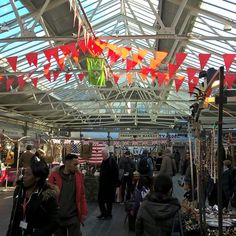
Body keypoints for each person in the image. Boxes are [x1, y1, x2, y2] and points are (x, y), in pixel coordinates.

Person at [7, 155, 59, 236]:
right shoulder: (19, 190)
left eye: (28, 175)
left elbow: (54, 221)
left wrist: (38, 233)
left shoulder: (47, 194)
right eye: (24, 174)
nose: (24, 177)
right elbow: (14, 217)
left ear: (37, 178)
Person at [48, 153, 88, 236]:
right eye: (75, 164)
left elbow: (82, 195)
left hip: (73, 217)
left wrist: (84, 212)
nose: (77, 167)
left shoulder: (78, 176)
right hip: (58, 217)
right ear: (67, 163)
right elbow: (49, 196)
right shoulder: (54, 176)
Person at [97, 148, 119, 220]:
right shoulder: (104, 160)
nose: (101, 155)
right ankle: (103, 213)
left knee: (109, 201)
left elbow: (116, 174)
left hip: (109, 186)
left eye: (102, 154)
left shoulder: (112, 161)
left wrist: (114, 184)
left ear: (106, 154)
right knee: (100, 200)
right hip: (103, 185)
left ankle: (109, 214)